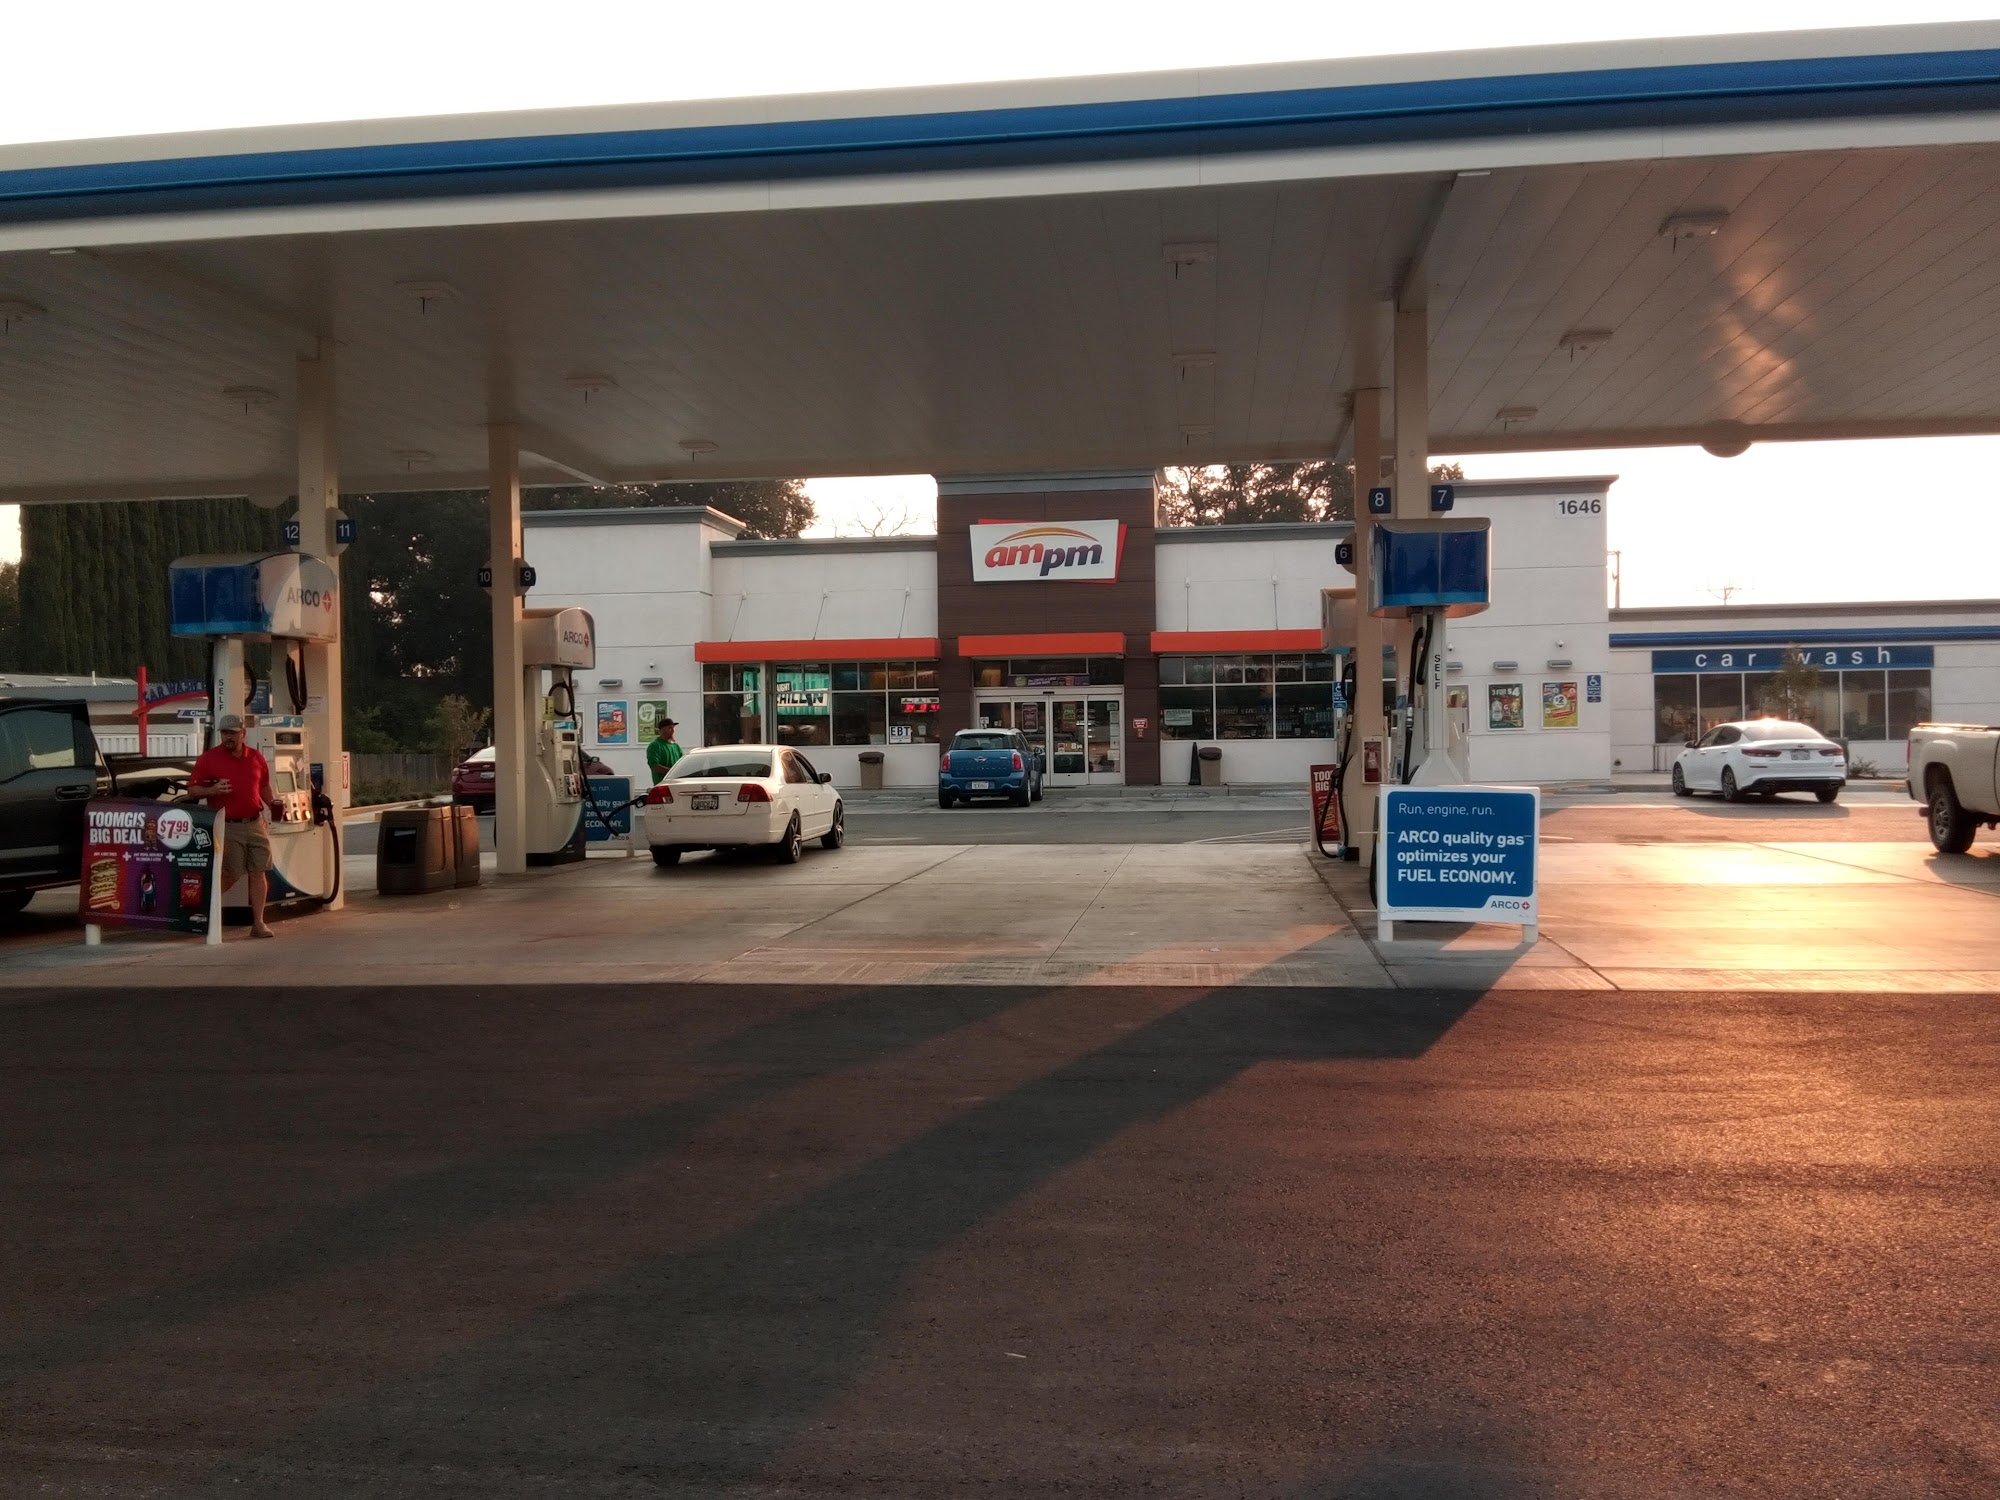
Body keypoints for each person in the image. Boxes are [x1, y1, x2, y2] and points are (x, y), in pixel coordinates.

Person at [187, 715, 284, 939]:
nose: (228, 737)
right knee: (231, 873)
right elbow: (192, 790)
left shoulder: (256, 757)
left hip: (255, 822)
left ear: (243, 733)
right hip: (227, 824)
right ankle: (200, 910)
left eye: (232, 732)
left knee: (259, 872)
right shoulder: (209, 759)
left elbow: (263, 786)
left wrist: (273, 803)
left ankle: (258, 923)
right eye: (224, 733)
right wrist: (212, 791)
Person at [646, 717, 685, 785]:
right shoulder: (655, 745)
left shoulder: (676, 746)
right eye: (669, 728)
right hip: (663, 785)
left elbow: (682, 763)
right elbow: (654, 766)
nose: (673, 731)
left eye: (673, 728)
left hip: (676, 784)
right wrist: (672, 773)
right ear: (661, 730)